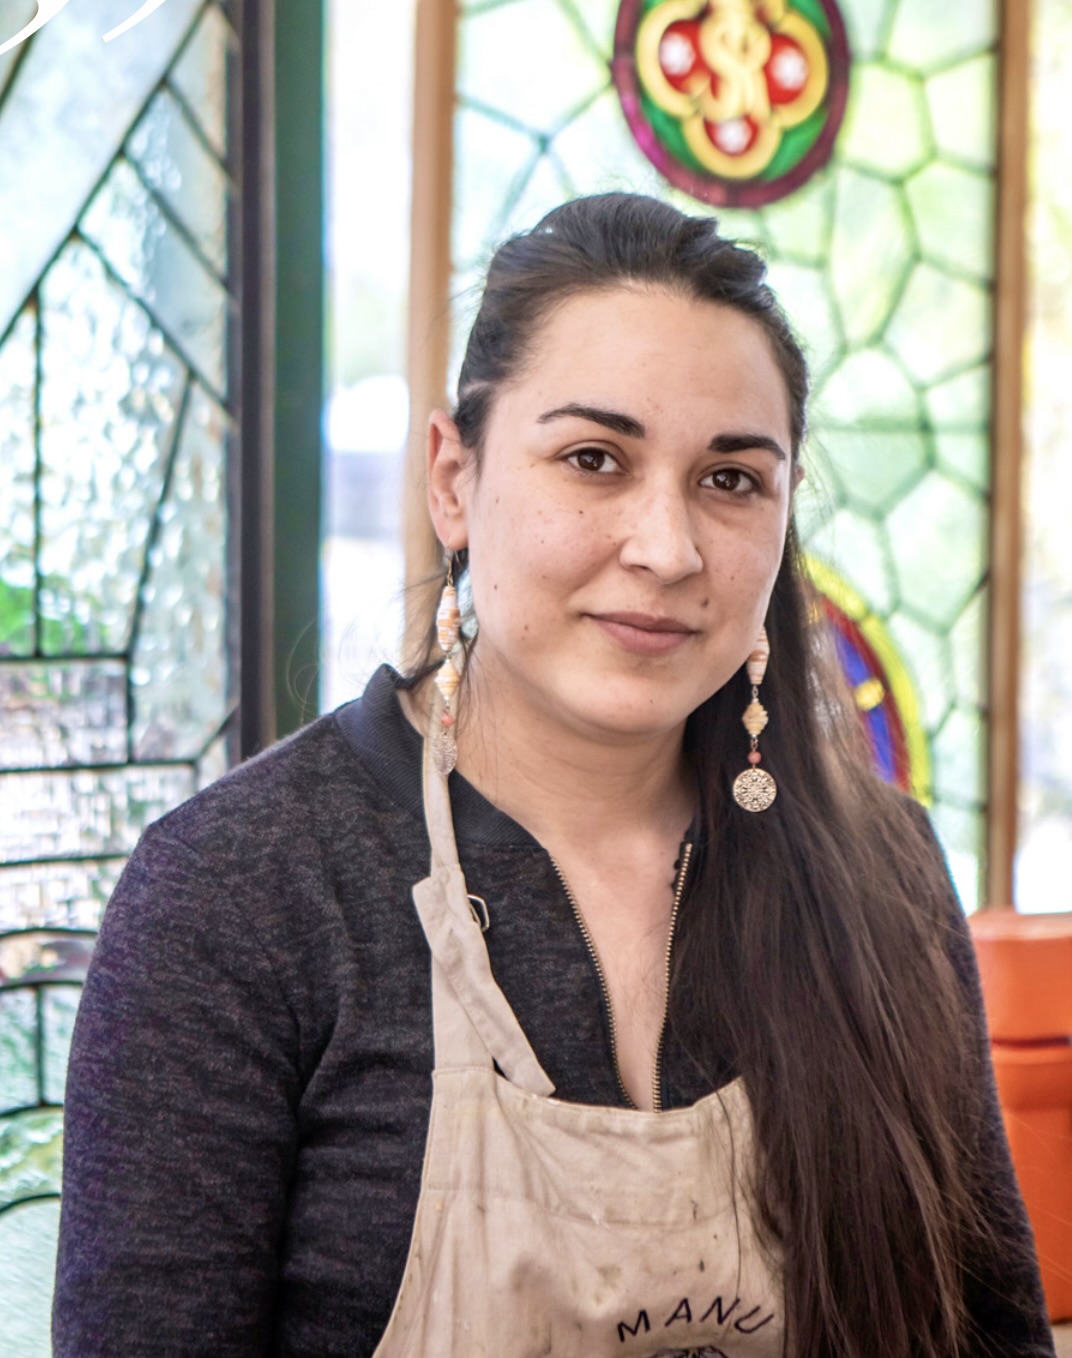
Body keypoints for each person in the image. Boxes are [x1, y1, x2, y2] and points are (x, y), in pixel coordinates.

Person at [53, 194, 1055, 1358]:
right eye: (593, 458)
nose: (667, 549)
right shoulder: (238, 892)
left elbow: (993, 1336)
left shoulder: (881, 872)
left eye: (730, 479)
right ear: (451, 477)